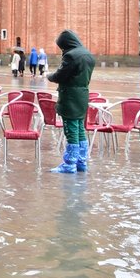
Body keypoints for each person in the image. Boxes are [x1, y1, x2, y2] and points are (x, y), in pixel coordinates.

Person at [47, 30, 95, 174]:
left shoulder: (71, 55)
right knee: (80, 128)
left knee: (71, 130)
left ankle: (70, 164)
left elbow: (60, 76)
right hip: (83, 95)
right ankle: (81, 161)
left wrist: (48, 76)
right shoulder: (88, 54)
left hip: (70, 97)